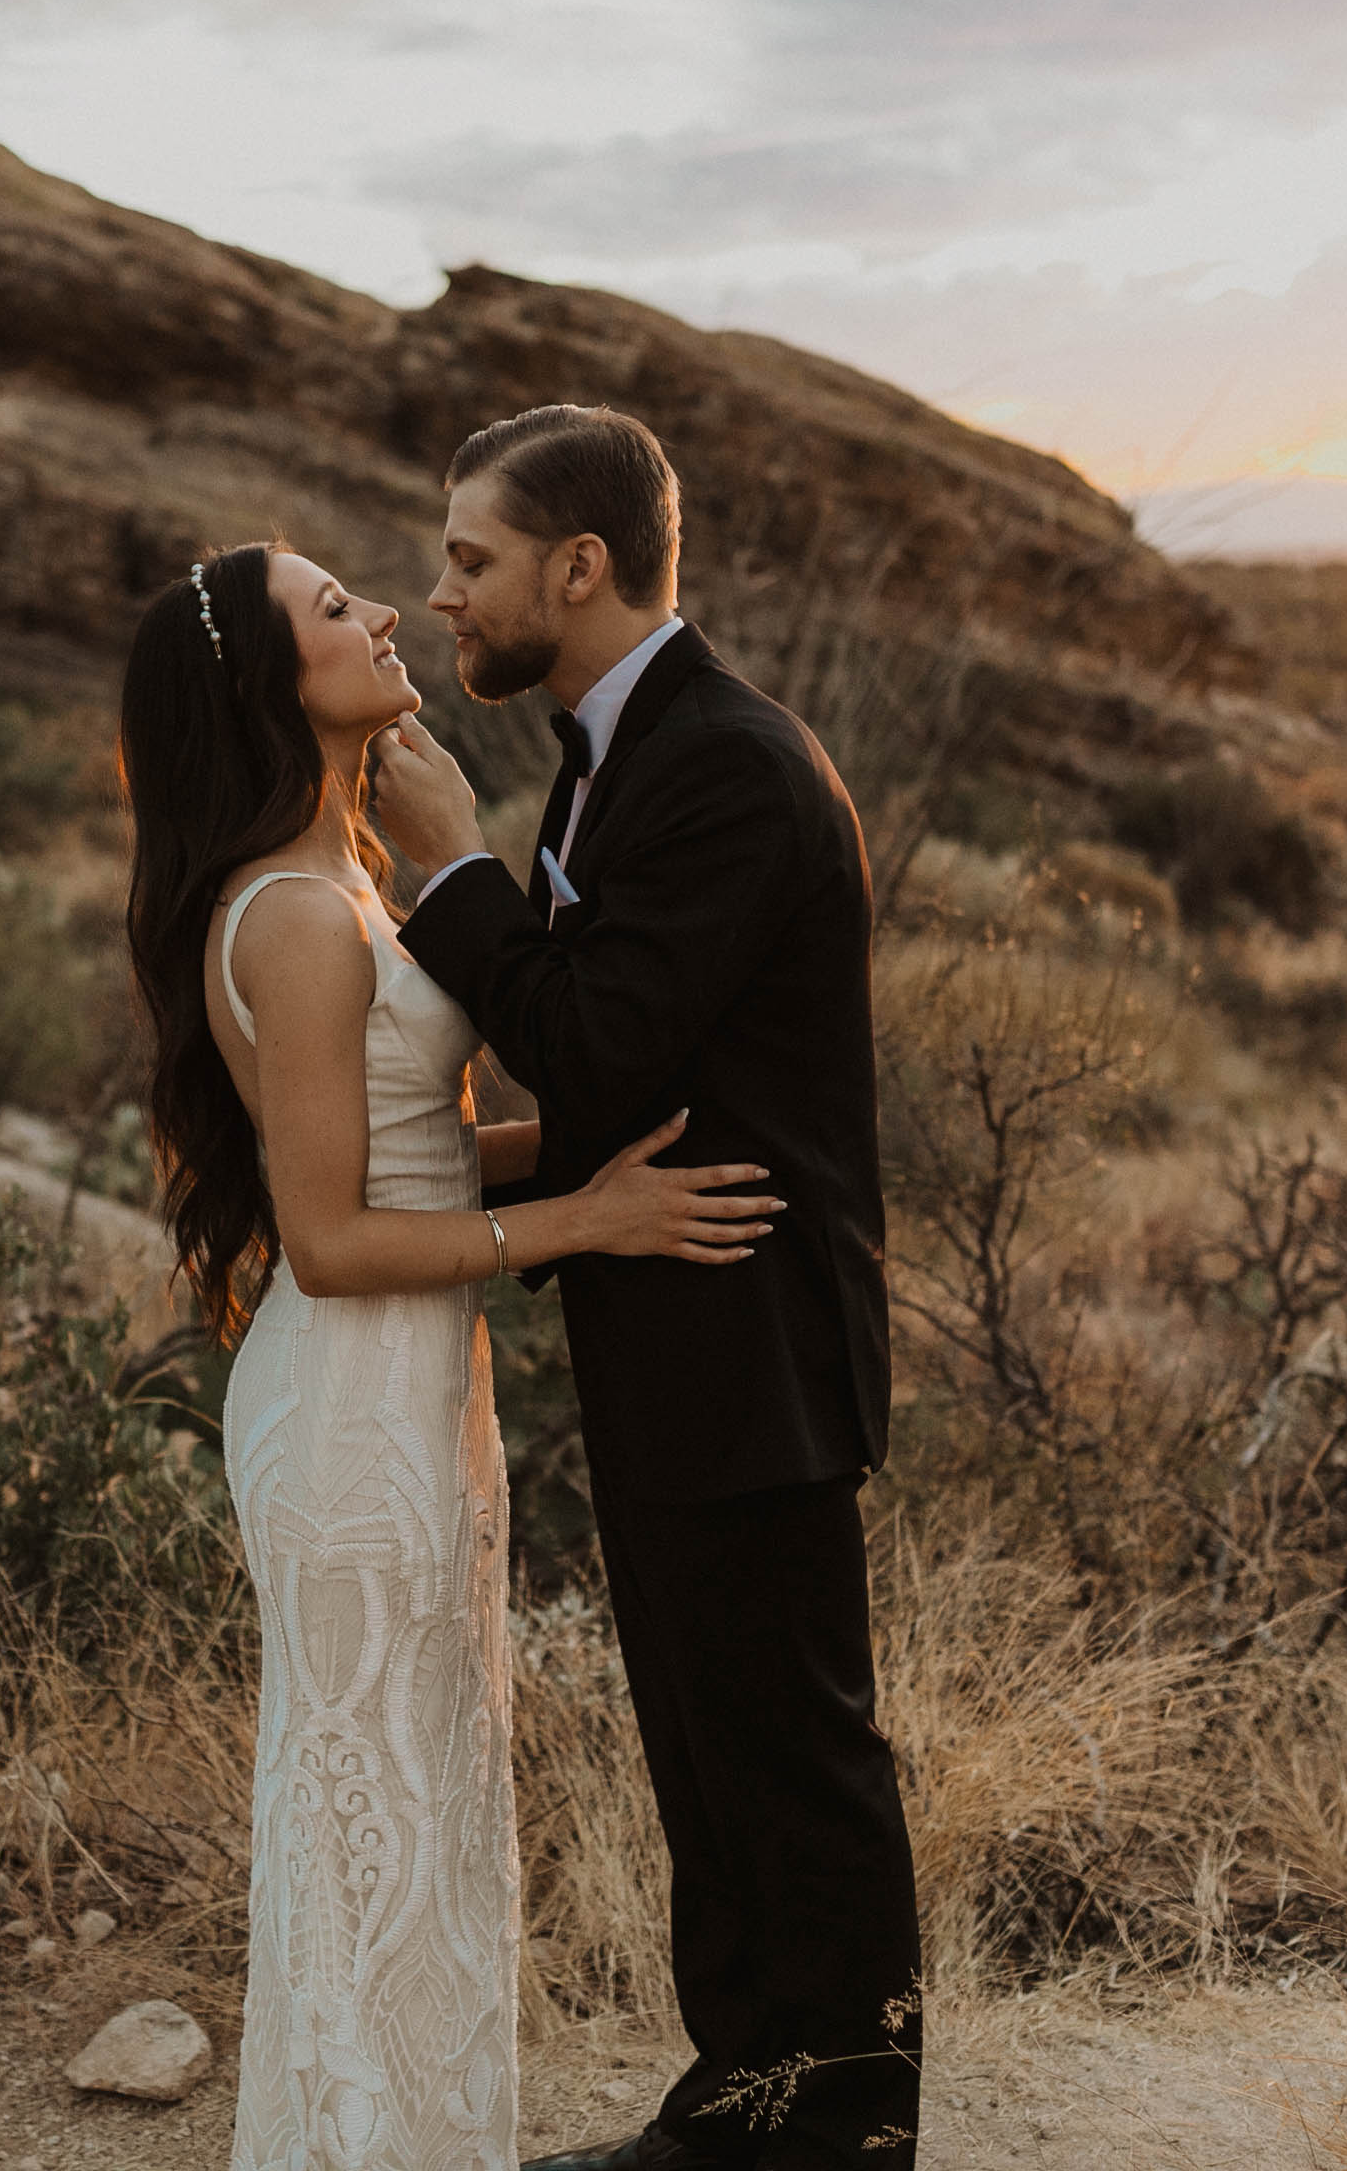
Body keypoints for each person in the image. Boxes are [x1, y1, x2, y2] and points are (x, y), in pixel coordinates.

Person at [120, 539, 779, 2171]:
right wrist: (591, 1221)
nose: (385, 614)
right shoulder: (293, 917)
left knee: (421, 1809)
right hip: (352, 1411)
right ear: (269, 687)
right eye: (335, 610)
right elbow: (332, 1244)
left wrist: (609, 1139)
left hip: (419, 1395)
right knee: (369, 1825)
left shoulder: (344, 883)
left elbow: (407, 1162)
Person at [370, 405, 923, 2171]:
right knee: (710, 1746)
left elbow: (593, 1036)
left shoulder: (726, 767)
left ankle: (845, 2127)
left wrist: (450, 866)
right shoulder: (619, 754)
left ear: (578, 566)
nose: (441, 594)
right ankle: (740, 2101)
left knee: (790, 1752)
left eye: (470, 559)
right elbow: (616, 1071)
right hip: (675, 1331)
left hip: (749, 1336)